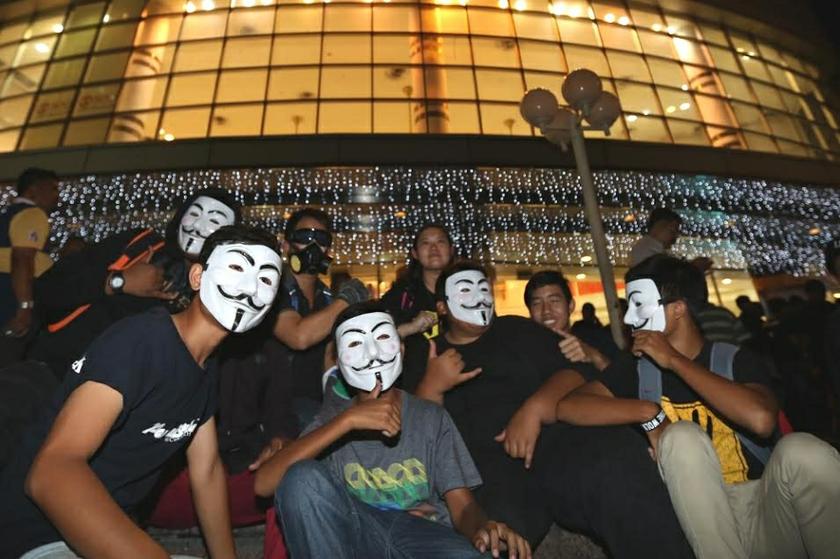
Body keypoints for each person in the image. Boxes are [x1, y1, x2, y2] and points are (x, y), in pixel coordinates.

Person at [0, 225, 284, 559]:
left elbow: (206, 472)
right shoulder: (142, 340)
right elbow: (51, 473)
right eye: (237, 267)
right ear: (196, 277)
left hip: (105, 535)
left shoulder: (205, 370)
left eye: (266, 280)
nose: (249, 287)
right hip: (39, 537)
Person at [556, 254, 840, 559]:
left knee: (805, 450)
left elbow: (761, 420)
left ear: (678, 309)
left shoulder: (733, 359)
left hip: (765, 508)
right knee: (681, 436)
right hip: (694, 522)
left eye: (638, 305)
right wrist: (649, 414)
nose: (628, 319)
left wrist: (675, 361)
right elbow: (569, 406)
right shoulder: (635, 367)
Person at [253, 302, 531, 559]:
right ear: (338, 362)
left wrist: (482, 527)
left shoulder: (430, 418)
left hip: (424, 537)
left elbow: (462, 505)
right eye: (355, 343)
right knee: (302, 476)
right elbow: (266, 484)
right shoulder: (332, 422)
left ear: (401, 348)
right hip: (359, 538)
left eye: (383, 338)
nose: (371, 353)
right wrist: (347, 422)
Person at [29, 188, 240, 378]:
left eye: (214, 221)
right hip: (55, 374)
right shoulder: (139, 245)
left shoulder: (219, 292)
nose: (197, 226)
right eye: (194, 214)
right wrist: (118, 281)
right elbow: (48, 288)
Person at [270, 208, 370, 427]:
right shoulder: (271, 289)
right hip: (275, 409)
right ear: (287, 246)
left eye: (321, 239)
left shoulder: (326, 298)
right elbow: (298, 337)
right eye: (305, 237)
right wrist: (346, 300)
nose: (313, 246)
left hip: (319, 403)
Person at [0, 168, 60, 346]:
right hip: (13, 294)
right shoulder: (32, 214)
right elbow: (22, 259)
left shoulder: (8, 215)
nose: (57, 196)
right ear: (33, 190)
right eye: (53, 189)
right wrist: (24, 307)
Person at [523, 270, 616, 372]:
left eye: (554, 301)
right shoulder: (523, 353)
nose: (546, 310)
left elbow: (625, 381)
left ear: (571, 306)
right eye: (537, 303)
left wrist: (594, 357)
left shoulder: (598, 341)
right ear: (530, 312)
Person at [381, 223, 456, 336]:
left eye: (440, 242)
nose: (434, 248)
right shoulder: (402, 294)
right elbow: (379, 336)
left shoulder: (467, 288)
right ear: (415, 253)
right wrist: (410, 328)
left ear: (451, 250)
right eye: (425, 243)